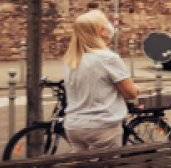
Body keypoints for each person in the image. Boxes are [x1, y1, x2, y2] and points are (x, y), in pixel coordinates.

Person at [60, 10, 139, 152]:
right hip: (102, 126)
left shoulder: (71, 60)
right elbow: (130, 93)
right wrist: (137, 89)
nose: (109, 27)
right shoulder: (107, 58)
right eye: (105, 24)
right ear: (98, 30)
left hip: (73, 126)